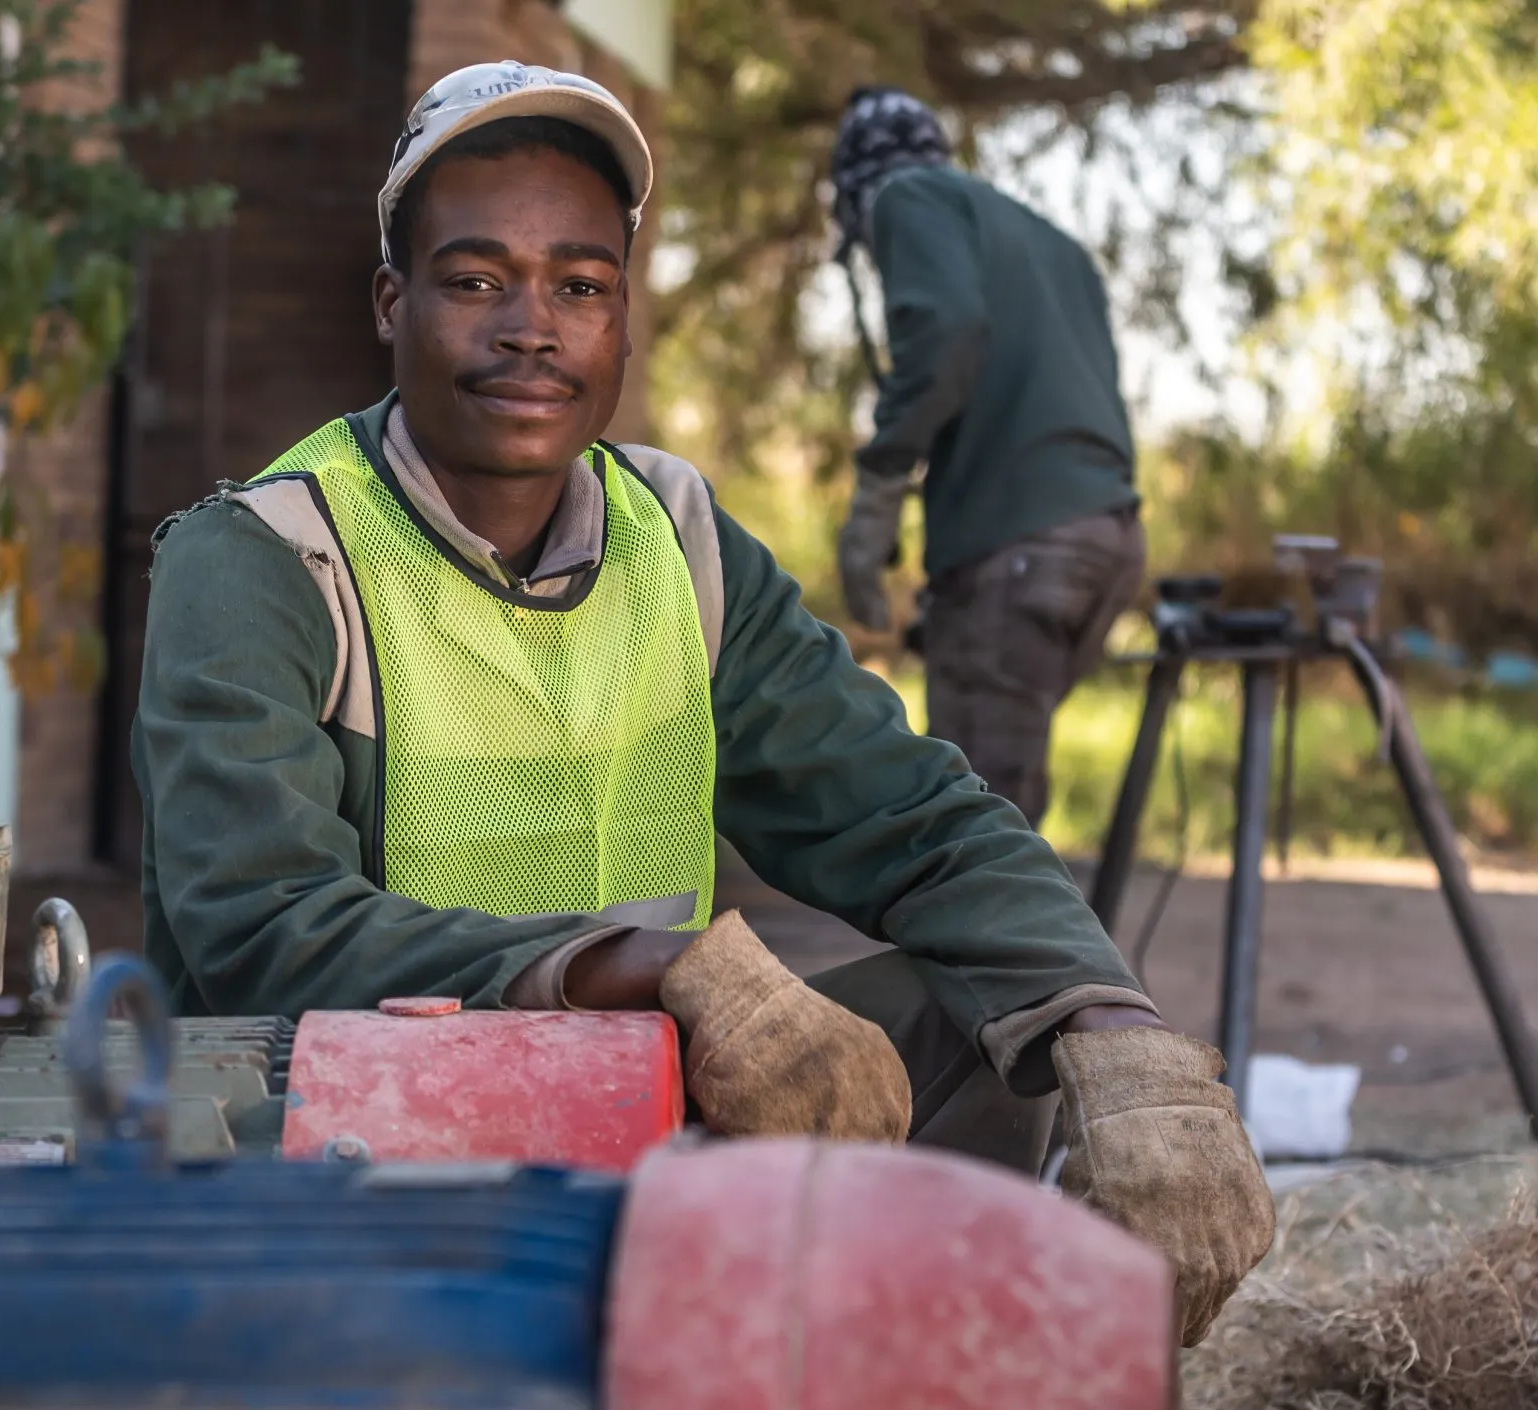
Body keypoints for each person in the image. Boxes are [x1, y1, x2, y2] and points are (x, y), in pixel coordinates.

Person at [129, 61, 1269, 1344]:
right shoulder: (269, 554)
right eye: (473, 280)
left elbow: (914, 816)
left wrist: (1110, 1024)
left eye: (580, 284)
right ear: (391, 302)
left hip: (639, 1112)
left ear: (623, 320)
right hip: (351, 1153)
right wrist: (657, 969)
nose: (530, 328)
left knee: (979, 1014)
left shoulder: (671, 536)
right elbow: (263, 927)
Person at [830, 86, 1145, 832]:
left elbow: (945, 331)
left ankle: (1015, 955)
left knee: (978, 830)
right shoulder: (1046, 240)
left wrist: (879, 486)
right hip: (1105, 539)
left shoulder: (903, 193)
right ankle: (1037, 947)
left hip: (1021, 550)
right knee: (1007, 799)